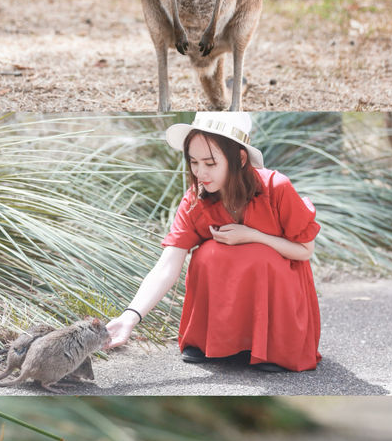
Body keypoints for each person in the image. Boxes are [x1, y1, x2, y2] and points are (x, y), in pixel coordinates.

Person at [106, 112, 321, 372]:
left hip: (279, 300)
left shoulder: (276, 187)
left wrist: (255, 236)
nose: (200, 173)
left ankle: (269, 345)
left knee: (259, 256)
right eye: (194, 162)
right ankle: (217, 341)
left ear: (240, 159)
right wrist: (130, 317)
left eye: (210, 163)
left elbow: (304, 251)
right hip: (220, 322)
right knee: (208, 253)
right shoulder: (195, 200)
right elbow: (168, 265)